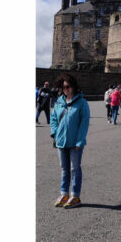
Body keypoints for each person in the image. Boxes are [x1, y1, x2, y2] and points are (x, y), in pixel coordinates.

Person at [50, 73, 90, 209]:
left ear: (73, 87)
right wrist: (55, 134)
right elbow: (54, 119)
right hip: (61, 141)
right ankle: (64, 194)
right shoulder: (59, 102)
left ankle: (75, 196)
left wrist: (80, 141)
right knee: (64, 169)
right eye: (63, 87)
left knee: (74, 168)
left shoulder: (81, 103)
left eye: (68, 86)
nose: (65, 89)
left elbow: (84, 124)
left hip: (75, 143)